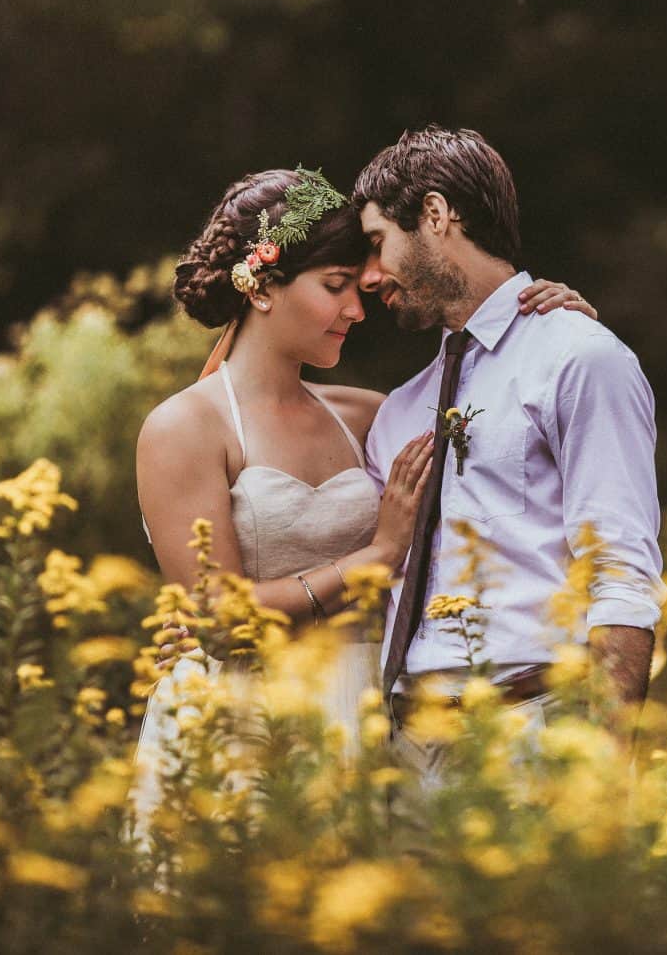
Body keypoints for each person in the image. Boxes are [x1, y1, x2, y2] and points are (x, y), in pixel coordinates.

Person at [129, 165, 595, 837]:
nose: (357, 308)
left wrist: (553, 324)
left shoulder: (371, 417)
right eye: (335, 286)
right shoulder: (183, 427)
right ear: (261, 286)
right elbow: (219, 617)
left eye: (357, 286)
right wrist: (376, 556)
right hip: (244, 715)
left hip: (365, 708)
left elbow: (504, 425)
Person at [353, 126, 663, 795]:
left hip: (535, 733)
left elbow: (620, 574)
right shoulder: (397, 413)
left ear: (436, 214)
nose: (370, 277)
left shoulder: (579, 358)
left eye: (377, 244)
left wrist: (604, 769)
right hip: (404, 755)